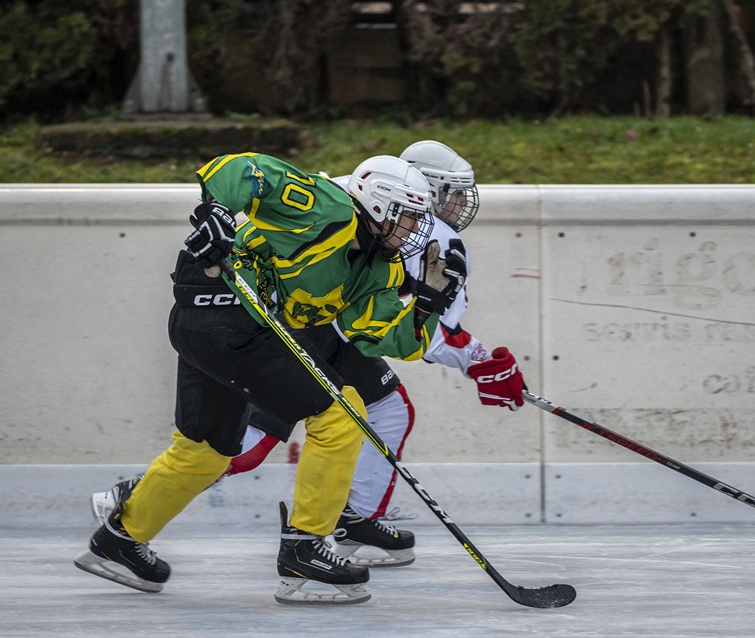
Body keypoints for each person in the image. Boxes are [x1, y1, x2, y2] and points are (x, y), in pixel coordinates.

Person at [94, 141, 525, 569]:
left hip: (219, 330)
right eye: (409, 217)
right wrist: (217, 211)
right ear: (379, 207)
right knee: (341, 415)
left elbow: (382, 336)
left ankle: (120, 539)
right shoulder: (325, 206)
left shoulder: (379, 265)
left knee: (205, 452)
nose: (416, 229)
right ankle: (304, 550)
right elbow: (244, 169)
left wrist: (426, 304)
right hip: (229, 313)